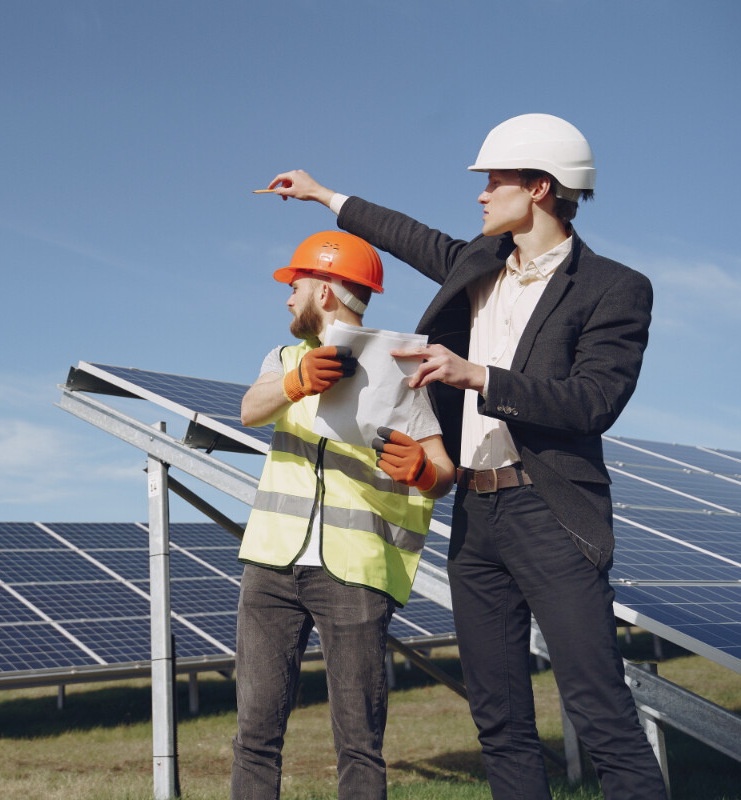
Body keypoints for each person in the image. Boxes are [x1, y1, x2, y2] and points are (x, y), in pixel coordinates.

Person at [262, 113, 668, 799]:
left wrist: (477, 375)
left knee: (602, 714)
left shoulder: (614, 288)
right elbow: (406, 234)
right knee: (501, 722)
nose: (481, 194)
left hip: (552, 514)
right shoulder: (477, 265)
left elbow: (593, 401)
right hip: (476, 522)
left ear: (540, 187)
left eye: (494, 182)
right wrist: (323, 194)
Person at [232, 230, 455, 800]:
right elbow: (250, 410)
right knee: (255, 733)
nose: (287, 297)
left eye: (296, 284)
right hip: (271, 569)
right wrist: (295, 382)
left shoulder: (400, 371)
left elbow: (442, 468)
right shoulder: (283, 358)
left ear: (326, 292)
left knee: (358, 743)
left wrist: (425, 473)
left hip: (356, 573)